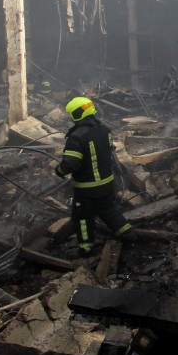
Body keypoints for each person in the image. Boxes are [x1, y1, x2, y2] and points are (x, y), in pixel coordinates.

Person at [54, 96, 135, 255]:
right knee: (108, 210)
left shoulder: (76, 137)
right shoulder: (104, 130)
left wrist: (59, 171)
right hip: (107, 183)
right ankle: (129, 235)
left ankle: (86, 247)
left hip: (87, 188)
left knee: (82, 217)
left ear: (77, 114)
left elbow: (70, 164)